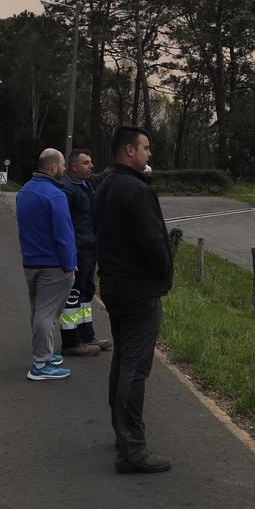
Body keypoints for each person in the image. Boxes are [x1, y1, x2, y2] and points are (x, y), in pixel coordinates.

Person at [94, 125, 174, 474]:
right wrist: (165, 274)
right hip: (139, 290)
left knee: (124, 358)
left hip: (114, 286)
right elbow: (152, 243)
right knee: (135, 367)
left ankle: (122, 434)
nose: (149, 153)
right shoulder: (137, 191)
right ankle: (133, 449)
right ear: (129, 150)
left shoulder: (105, 185)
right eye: (145, 147)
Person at [16, 148, 78, 381]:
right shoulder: (55, 195)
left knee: (38, 311)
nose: (63, 169)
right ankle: (40, 364)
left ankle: (46, 354)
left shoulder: (24, 192)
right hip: (53, 265)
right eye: (62, 165)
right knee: (48, 314)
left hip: (30, 262)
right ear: (53, 168)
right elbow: (64, 234)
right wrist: (70, 264)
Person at [57, 149, 110, 356]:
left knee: (87, 292)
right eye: (86, 163)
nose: (91, 166)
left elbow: (104, 175)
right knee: (74, 293)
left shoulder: (87, 183)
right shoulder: (67, 190)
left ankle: (87, 336)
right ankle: (71, 341)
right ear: (73, 167)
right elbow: (64, 225)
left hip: (90, 247)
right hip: (77, 249)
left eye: (91, 162)